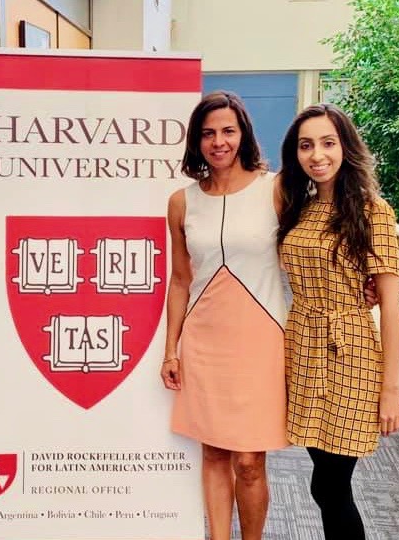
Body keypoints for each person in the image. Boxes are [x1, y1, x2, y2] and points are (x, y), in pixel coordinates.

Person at [160, 91, 288, 540]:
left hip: (261, 339)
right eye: (209, 132)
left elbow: (315, 247)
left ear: (243, 135)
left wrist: (363, 284)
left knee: (250, 462)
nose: (219, 141)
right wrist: (169, 349)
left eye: (228, 131)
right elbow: (179, 280)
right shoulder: (181, 202)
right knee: (213, 453)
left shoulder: (275, 188)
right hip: (204, 340)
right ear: (196, 140)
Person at [277, 103, 399, 539]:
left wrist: (391, 390)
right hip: (302, 347)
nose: (317, 155)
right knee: (322, 478)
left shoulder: (373, 211)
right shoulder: (299, 207)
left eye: (328, 143)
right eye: (306, 145)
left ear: (346, 147)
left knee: (333, 483)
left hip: (350, 352)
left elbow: (390, 305)